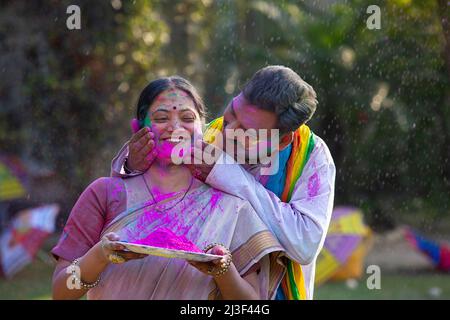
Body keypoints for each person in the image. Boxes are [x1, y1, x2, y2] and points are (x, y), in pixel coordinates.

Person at [112, 66, 336, 300]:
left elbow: (305, 244)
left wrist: (227, 173)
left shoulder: (312, 156)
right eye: (231, 114)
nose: (228, 132)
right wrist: (133, 167)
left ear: (283, 140)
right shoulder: (205, 135)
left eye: (247, 132)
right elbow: (149, 203)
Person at [51, 76, 285, 300]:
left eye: (187, 118)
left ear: (202, 128)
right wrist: (101, 255)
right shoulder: (105, 194)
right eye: (161, 118)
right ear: (138, 127)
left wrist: (223, 270)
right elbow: (62, 292)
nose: (176, 128)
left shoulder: (230, 206)